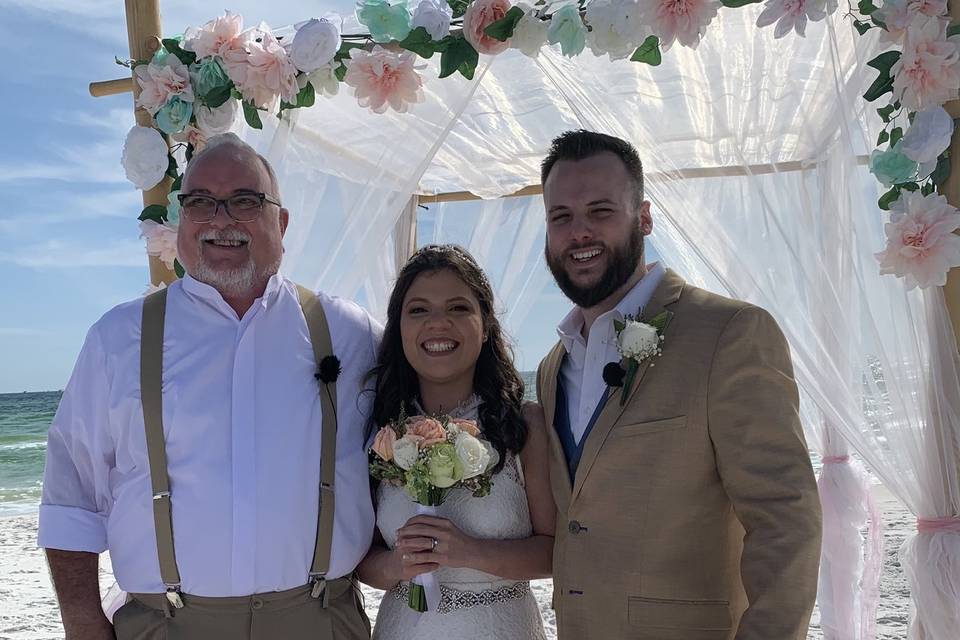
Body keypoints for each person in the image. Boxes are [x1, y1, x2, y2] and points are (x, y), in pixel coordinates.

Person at [39, 133, 377, 640]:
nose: (221, 220)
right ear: (182, 220)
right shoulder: (118, 339)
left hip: (320, 620)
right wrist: (84, 623)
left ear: (280, 224)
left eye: (245, 201)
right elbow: (71, 494)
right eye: (200, 202)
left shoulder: (351, 332)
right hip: (166, 625)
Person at [536, 130, 822, 640]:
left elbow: (785, 518)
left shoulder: (730, 333)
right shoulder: (552, 366)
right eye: (562, 217)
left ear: (643, 217)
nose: (579, 232)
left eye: (600, 211)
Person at [357, 245, 553, 640]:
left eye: (458, 308)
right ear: (399, 328)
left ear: (485, 327)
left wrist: (470, 552)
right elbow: (363, 558)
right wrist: (397, 565)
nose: (438, 323)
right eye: (419, 310)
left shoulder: (523, 425)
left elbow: (556, 552)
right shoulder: (381, 432)